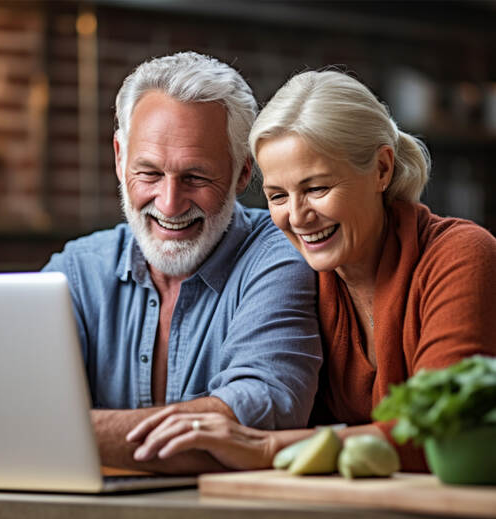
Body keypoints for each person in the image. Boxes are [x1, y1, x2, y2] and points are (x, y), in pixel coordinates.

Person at [126, 69, 496, 473]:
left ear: (382, 170)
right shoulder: (297, 273)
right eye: (278, 196)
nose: (298, 218)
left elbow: (447, 430)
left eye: (317, 188)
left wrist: (268, 448)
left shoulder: (462, 255)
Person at [42, 52, 322, 473]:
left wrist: (59, 435)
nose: (169, 204)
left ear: (243, 172)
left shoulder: (281, 255)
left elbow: (257, 418)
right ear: (120, 158)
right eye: (149, 173)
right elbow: (10, 405)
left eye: (195, 177)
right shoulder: (78, 270)